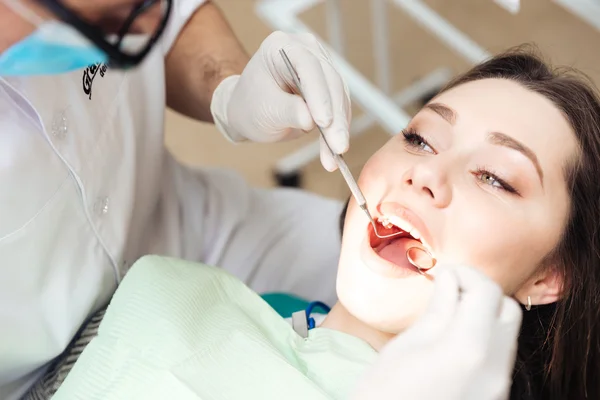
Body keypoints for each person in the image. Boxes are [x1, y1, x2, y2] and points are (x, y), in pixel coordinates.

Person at [46, 46, 600, 400]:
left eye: (496, 178)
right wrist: (229, 92)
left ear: (549, 276)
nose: (426, 173)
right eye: (419, 138)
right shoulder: (177, 298)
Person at [0, 1, 353, 398]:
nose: (149, 28)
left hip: (197, 233)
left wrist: (228, 89)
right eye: (111, 23)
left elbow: (171, 24)